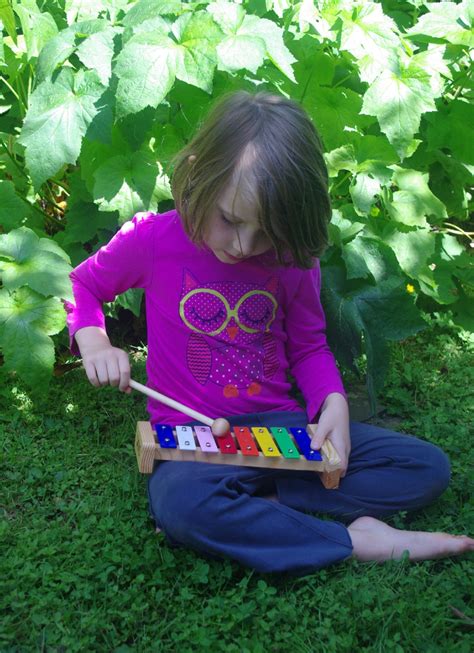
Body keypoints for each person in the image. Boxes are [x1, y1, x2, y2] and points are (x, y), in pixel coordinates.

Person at [65, 91, 474, 575]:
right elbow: (82, 285)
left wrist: (333, 402)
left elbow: (308, 347)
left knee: (424, 469)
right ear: (198, 174)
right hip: (192, 443)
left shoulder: (289, 259)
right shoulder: (154, 240)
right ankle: (354, 540)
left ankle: (263, 500)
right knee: (182, 505)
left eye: (265, 232)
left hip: (280, 432)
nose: (244, 245)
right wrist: (94, 338)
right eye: (231, 221)